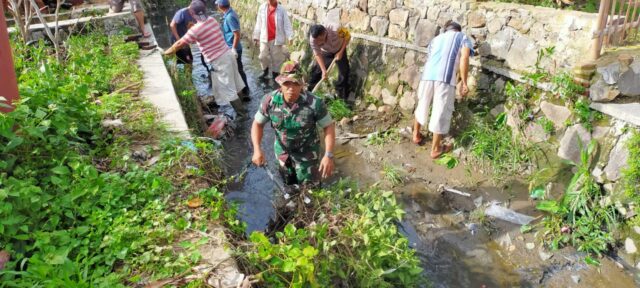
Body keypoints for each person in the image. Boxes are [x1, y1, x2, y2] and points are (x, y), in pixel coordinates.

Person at [251, 61, 336, 185]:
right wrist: (257, 149)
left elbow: (328, 127)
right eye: (287, 83)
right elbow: (257, 124)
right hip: (283, 154)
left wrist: (328, 155)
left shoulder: (314, 103)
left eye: (296, 83)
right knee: (288, 184)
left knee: (310, 189)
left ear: (301, 84)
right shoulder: (269, 101)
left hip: (307, 155)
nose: (291, 88)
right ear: (280, 83)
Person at [164, 0, 245, 119]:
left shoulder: (195, 30)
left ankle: (242, 115)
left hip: (219, 61)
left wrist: (165, 53)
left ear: (192, 14)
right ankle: (243, 109)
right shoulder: (212, 20)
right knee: (236, 84)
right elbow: (200, 36)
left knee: (228, 90)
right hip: (228, 55)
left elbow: (179, 44)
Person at [413, 21, 473, 159]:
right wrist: (464, 82)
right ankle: (436, 149)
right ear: (458, 30)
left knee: (422, 104)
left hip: (427, 76)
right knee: (440, 110)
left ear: (446, 30)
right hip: (445, 78)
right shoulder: (462, 37)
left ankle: (416, 134)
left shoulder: (436, 39)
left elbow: (431, 58)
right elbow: (464, 57)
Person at [307, 24, 351, 100]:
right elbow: (317, 54)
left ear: (324, 33)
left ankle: (342, 99)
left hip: (339, 48)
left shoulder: (336, 28)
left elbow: (348, 36)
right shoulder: (313, 39)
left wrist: (340, 52)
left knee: (344, 72)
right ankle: (309, 95)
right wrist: (324, 70)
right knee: (318, 71)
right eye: (317, 41)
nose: (319, 42)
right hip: (326, 51)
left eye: (320, 40)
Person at [252, 0, 293, 81]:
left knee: (277, 59)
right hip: (264, 37)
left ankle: (275, 74)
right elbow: (258, 23)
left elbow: (287, 24)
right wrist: (256, 35)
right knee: (262, 56)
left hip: (276, 38)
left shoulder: (281, 9)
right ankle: (265, 71)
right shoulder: (262, 8)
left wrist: (290, 36)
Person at [218, 0, 250, 98]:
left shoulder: (229, 17)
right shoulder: (229, 14)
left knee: (238, 70)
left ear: (220, 6)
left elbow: (236, 34)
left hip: (234, 48)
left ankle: (245, 91)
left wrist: (233, 49)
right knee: (237, 70)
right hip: (231, 47)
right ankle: (243, 90)